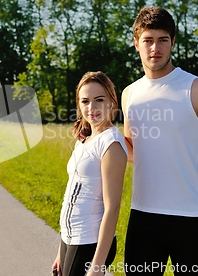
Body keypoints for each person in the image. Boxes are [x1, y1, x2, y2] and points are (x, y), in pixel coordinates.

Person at [121, 7, 198, 275]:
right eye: (148, 40)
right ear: (136, 42)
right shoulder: (129, 94)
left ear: (173, 42)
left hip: (191, 220)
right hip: (143, 218)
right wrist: (101, 134)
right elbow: (133, 152)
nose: (155, 48)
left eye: (163, 40)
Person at [52, 71, 132, 276]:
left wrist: (97, 265)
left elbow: (112, 207)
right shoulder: (85, 138)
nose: (92, 108)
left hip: (89, 240)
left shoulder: (111, 143)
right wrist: (62, 251)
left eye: (99, 100)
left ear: (112, 102)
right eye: (85, 101)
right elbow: (72, 193)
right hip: (71, 238)